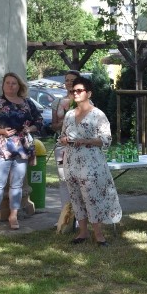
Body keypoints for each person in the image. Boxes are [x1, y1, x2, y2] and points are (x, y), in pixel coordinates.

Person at [59, 77, 121, 246]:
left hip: (91, 163)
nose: (75, 94)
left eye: (79, 91)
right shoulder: (70, 115)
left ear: (89, 93)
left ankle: (99, 235)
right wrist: (64, 139)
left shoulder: (98, 114)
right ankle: (83, 232)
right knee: (76, 197)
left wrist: (86, 140)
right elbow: (62, 136)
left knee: (92, 198)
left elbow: (106, 139)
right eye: (73, 91)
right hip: (71, 161)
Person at [0, 72, 42, 232]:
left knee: (17, 185)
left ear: (19, 85)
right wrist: (1, 131)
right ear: (3, 85)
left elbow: (39, 121)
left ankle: (13, 215)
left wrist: (31, 128)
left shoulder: (27, 103)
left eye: (14, 83)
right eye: (7, 83)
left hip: (21, 149)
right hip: (2, 149)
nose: (10, 85)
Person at [52, 70, 80, 208]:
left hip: (79, 146)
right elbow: (53, 126)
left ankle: (80, 216)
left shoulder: (85, 101)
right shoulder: (57, 102)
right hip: (61, 146)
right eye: (67, 80)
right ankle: (65, 215)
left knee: (78, 180)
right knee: (63, 180)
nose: (69, 83)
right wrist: (65, 121)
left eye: (72, 80)